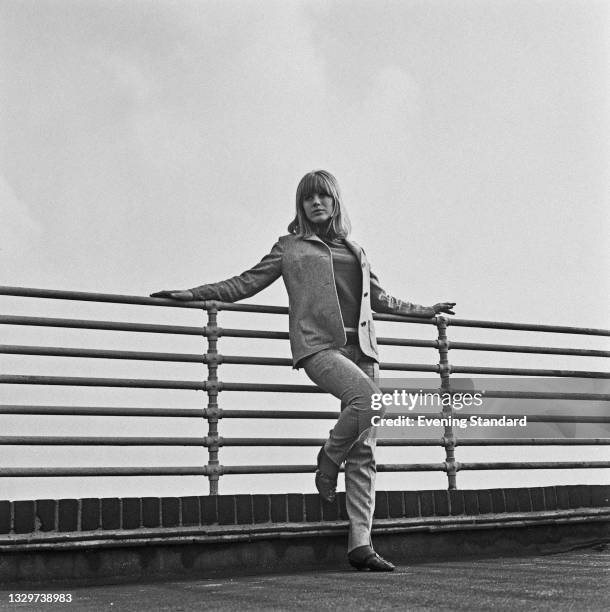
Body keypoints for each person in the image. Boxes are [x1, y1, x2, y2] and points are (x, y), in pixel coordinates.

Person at [151, 169, 455, 571]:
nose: (316, 203)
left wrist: (425, 310)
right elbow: (245, 283)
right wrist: (193, 294)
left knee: (365, 450)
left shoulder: (356, 250)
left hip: (363, 349)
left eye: (323, 197)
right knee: (370, 401)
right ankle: (328, 460)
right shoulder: (290, 248)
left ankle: (360, 545)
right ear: (301, 205)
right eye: (309, 198)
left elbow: (379, 298)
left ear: (335, 202)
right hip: (320, 348)